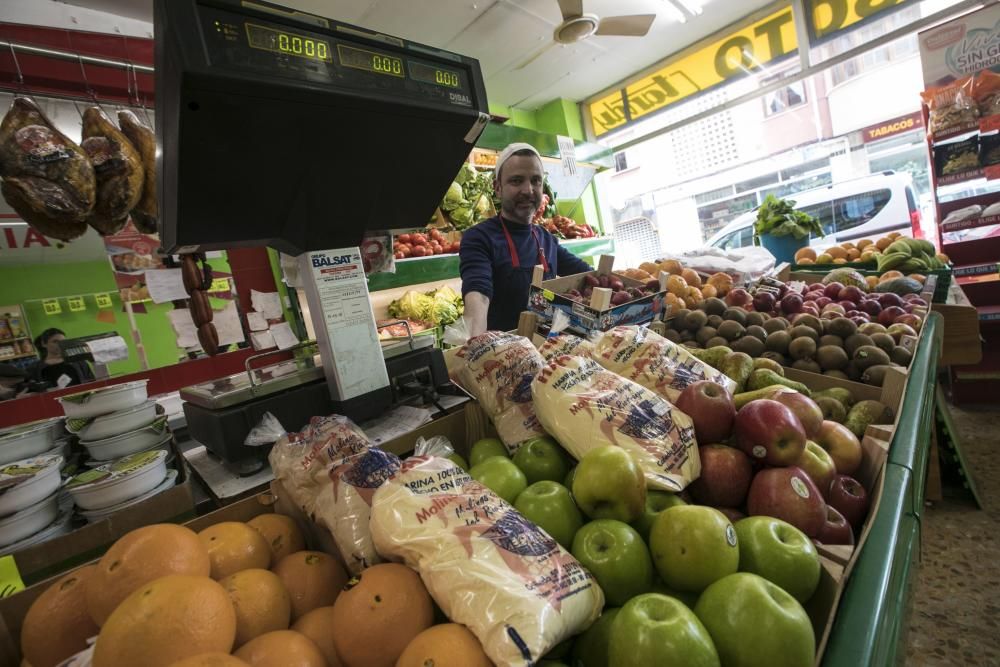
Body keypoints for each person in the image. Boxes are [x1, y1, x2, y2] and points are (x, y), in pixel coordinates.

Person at [460, 143, 592, 335]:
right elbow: (478, 295)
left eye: (536, 181)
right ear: (497, 188)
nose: (528, 190)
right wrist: (475, 343)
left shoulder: (546, 239)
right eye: (516, 181)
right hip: (503, 356)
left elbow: (588, 275)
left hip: (548, 349)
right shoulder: (480, 238)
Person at [31, 328, 95, 388]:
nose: (60, 344)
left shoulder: (79, 362)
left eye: (63, 341)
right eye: (55, 341)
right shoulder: (36, 368)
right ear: (44, 344)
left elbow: (92, 382)